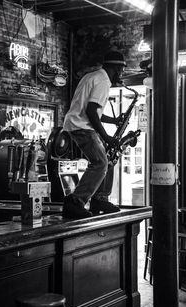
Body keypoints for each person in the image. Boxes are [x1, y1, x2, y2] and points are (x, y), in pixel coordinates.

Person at [62, 50, 127, 219]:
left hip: (78, 123)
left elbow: (92, 109)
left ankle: (99, 199)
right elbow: (91, 111)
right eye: (121, 70)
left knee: (107, 158)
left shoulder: (93, 76)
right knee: (100, 163)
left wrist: (113, 120)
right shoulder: (103, 81)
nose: (121, 74)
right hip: (82, 126)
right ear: (115, 68)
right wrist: (106, 137)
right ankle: (76, 201)